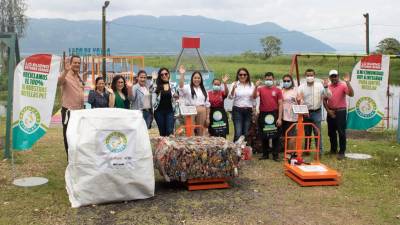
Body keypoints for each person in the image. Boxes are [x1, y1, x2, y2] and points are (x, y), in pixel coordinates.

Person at [58, 55, 87, 158]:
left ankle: (77, 157)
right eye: (75, 62)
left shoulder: (78, 76)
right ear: (70, 64)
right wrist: (65, 71)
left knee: (78, 135)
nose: (77, 65)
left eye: (79, 63)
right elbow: (59, 83)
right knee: (68, 136)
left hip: (79, 111)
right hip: (69, 111)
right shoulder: (65, 75)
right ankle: (70, 159)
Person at [298, 69, 331, 154]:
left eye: (311, 75)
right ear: (305, 76)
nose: (310, 77)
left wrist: (326, 87)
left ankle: (319, 151)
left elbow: (328, 96)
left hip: (317, 111)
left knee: (317, 132)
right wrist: (302, 108)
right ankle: (307, 150)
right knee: (307, 132)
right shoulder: (301, 87)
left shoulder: (320, 85)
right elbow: (298, 99)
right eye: (308, 75)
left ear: (314, 76)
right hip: (306, 112)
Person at [323, 69, 354, 160]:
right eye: (332, 76)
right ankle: (333, 150)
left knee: (341, 132)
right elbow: (324, 100)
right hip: (330, 111)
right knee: (331, 132)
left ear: (338, 76)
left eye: (335, 76)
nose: (334, 78)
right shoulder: (327, 87)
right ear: (330, 78)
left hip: (341, 111)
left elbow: (351, 94)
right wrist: (328, 111)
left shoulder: (343, 85)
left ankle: (342, 152)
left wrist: (348, 82)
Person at [253, 72, 283, 161]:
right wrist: (255, 87)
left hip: (274, 113)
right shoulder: (260, 89)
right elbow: (254, 96)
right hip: (263, 114)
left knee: (275, 135)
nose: (268, 81)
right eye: (267, 79)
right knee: (264, 134)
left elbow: (280, 104)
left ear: (273, 80)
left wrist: (279, 118)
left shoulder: (278, 90)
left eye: (270, 79)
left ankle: (275, 155)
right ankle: (265, 154)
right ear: (264, 80)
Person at [179, 66, 210, 136]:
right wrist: (182, 74)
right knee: (190, 131)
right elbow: (181, 87)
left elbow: (207, 105)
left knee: (201, 131)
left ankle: (201, 145)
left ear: (201, 79)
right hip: (190, 110)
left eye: (198, 78)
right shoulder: (187, 87)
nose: (197, 80)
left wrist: (208, 118)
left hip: (202, 110)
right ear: (192, 79)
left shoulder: (204, 89)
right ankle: (191, 145)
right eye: (195, 78)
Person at [230, 68, 255, 142]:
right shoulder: (234, 84)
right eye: (240, 74)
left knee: (246, 132)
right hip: (237, 110)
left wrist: (254, 107)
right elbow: (231, 97)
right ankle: (235, 150)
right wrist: (233, 89)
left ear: (247, 76)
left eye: (244, 74)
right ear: (238, 75)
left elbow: (253, 98)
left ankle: (243, 151)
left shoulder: (251, 84)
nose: (242, 76)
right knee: (238, 132)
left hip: (248, 110)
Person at [152, 67, 178, 136]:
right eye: (162, 75)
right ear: (159, 76)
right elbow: (151, 90)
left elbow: (179, 93)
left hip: (170, 111)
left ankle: (168, 145)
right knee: (162, 132)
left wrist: (176, 95)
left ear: (169, 75)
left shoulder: (173, 85)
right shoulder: (156, 85)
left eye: (166, 74)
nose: (164, 76)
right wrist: (154, 80)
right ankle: (163, 146)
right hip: (159, 111)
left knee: (169, 130)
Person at [281, 74, 302, 150]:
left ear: (291, 82)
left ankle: (291, 153)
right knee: (285, 136)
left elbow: (300, 104)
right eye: (284, 81)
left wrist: (299, 101)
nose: (286, 82)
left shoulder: (295, 91)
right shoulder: (281, 91)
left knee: (292, 136)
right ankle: (287, 152)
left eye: (288, 81)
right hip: (283, 117)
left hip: (292, 117)